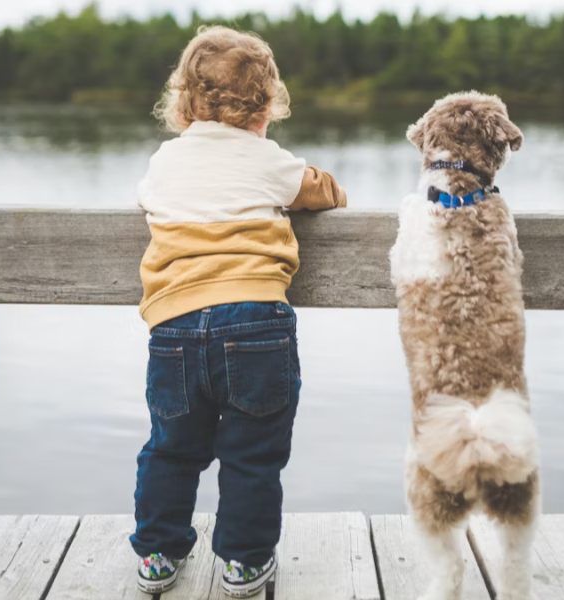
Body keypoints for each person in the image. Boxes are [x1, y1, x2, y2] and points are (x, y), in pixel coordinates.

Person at [130, 25, 346, 598]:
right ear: (267, 107)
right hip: (254, 323)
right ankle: (246, 564)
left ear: (183, 103)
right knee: (253, 455)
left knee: (171, 447)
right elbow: (322, 192)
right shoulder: (267, 159)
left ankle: (157, 554)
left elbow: (146, 197)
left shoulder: (165, 161)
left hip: (173, 327)